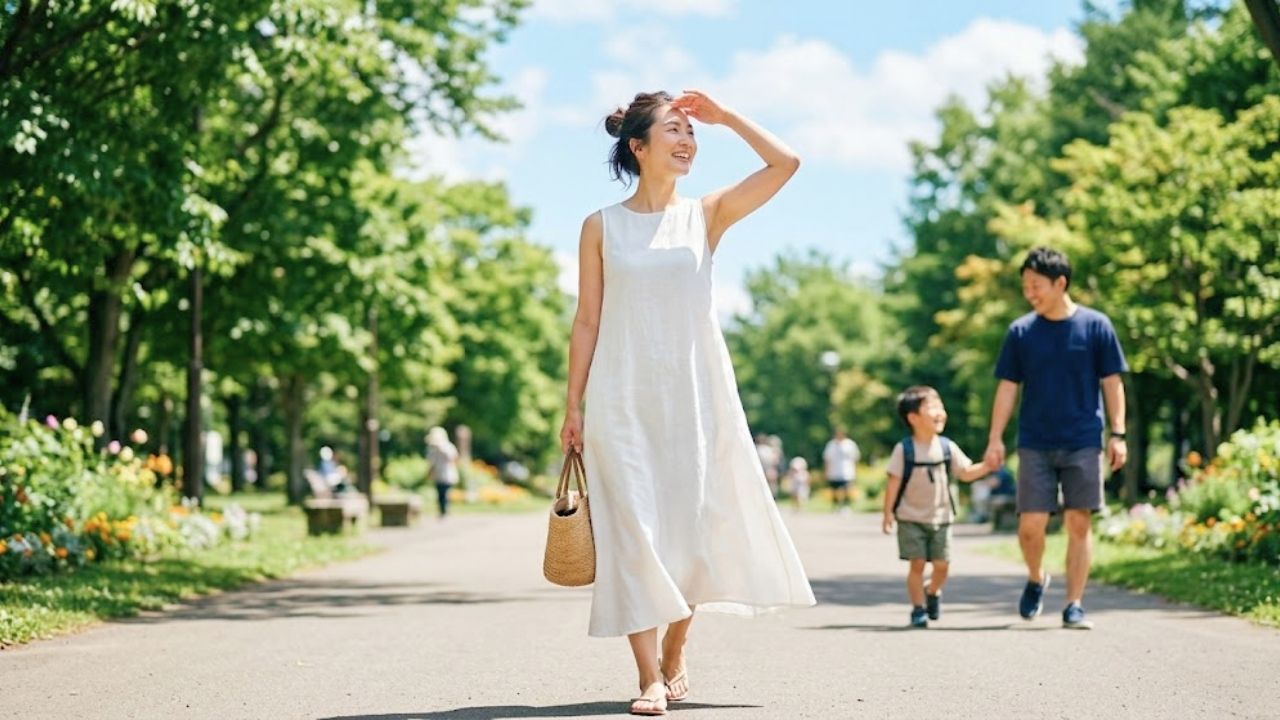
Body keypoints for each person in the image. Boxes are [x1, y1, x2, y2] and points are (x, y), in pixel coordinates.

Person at [559, 89, 815, 716]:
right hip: (620, 400)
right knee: (633, 535)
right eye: (673, 130)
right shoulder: (601, 226)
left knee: (687, 533)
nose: (687, 141)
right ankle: (649, 676)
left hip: (695, 401)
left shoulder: (707, 215)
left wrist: (726, 117)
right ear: (638, 148)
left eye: (691, 133)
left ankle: (677, 649)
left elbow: (787, 164)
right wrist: (573, 407)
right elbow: (588, 320)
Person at [983, 246, 1128, 631]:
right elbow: (1007, 388)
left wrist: (1119, 433)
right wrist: (995, 438)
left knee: (1078, 522)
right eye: (1025, 286)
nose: (1029, 292)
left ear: (1060, 282)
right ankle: (1035, 576)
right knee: (1031, 525)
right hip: (1035, 441)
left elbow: (1112, 382)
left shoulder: (1096, 326)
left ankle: (1074, 604)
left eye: (1036, 285)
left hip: (1083, 438)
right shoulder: (1021, 332)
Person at [882, 386, 991, 628]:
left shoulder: (946, 447)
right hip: (910, 516)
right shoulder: (904, 449)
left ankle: (932, 591)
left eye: (940, 407)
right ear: (913, 418)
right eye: (932, 407)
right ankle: (918, 608)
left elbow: (964, 472)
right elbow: (894, 481)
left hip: (942, 516)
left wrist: (987, 466)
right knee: (917, 564)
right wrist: (888, 513)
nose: (940, 412)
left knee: (942, 565)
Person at [822, 428, 859, 513]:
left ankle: (846, 506)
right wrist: (826, 472)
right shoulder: (831, 445)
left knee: (847, 489)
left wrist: (856, 471)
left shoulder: (850, 444)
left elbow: (855, 459)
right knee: (834, 490)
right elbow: (827, 459)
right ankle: (835, 506)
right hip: (834, 472)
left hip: (847, 472)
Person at [426, 426, 460, 518]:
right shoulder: (432, 449)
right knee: (440, 494)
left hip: (447, 474)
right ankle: (442, 511)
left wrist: (441, 449)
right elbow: (431, 462)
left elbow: (453, 458)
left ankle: (445, 510)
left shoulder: (448, 446)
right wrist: (429, 473)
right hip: (438, 475)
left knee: (445, 493)